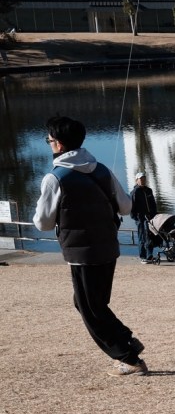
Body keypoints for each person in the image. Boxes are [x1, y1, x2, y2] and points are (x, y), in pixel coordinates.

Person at [33, 115, 146, 377]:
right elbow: (127, 207)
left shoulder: (55, 178)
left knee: (90, 307)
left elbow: (42, 223)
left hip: (81, 253)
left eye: (49, 140)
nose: (49, 144)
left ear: (59, 145)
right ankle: (126, 341)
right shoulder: (102, 170)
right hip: (108, 247)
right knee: (92, 303)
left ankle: (128, 357)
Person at [129, 171, 157, 263]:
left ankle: (150, 256)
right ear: (136, 180)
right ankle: (143, 257)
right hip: (140, 218)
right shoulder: (134, 192)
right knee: (142, 237)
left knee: (150, 236)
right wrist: (136, 218)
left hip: (150, 218)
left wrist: (155, 215)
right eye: (141, 179)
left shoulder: (149, 190)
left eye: (144, 178)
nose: (143, 180)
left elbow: (153, 203)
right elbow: (131, 207)